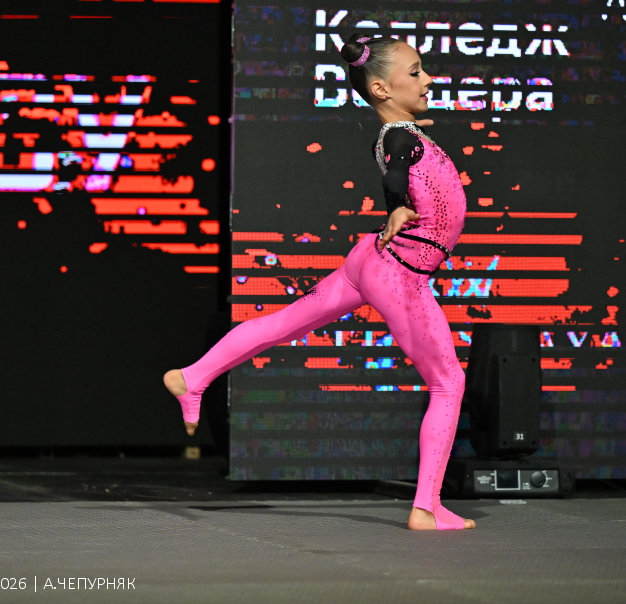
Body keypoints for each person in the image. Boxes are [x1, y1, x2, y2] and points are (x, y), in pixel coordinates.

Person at [164, 33, 473, 530]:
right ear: (381, 89)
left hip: (370, 261)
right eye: (416, 71)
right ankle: (426, 507)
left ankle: (193, 376)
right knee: (448, 382)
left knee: (284, 323)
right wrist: (396, 205)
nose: (428, 79)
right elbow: (395, 173)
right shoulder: (401, 137)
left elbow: (403, 167)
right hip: (401, 273)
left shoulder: (404, 133)